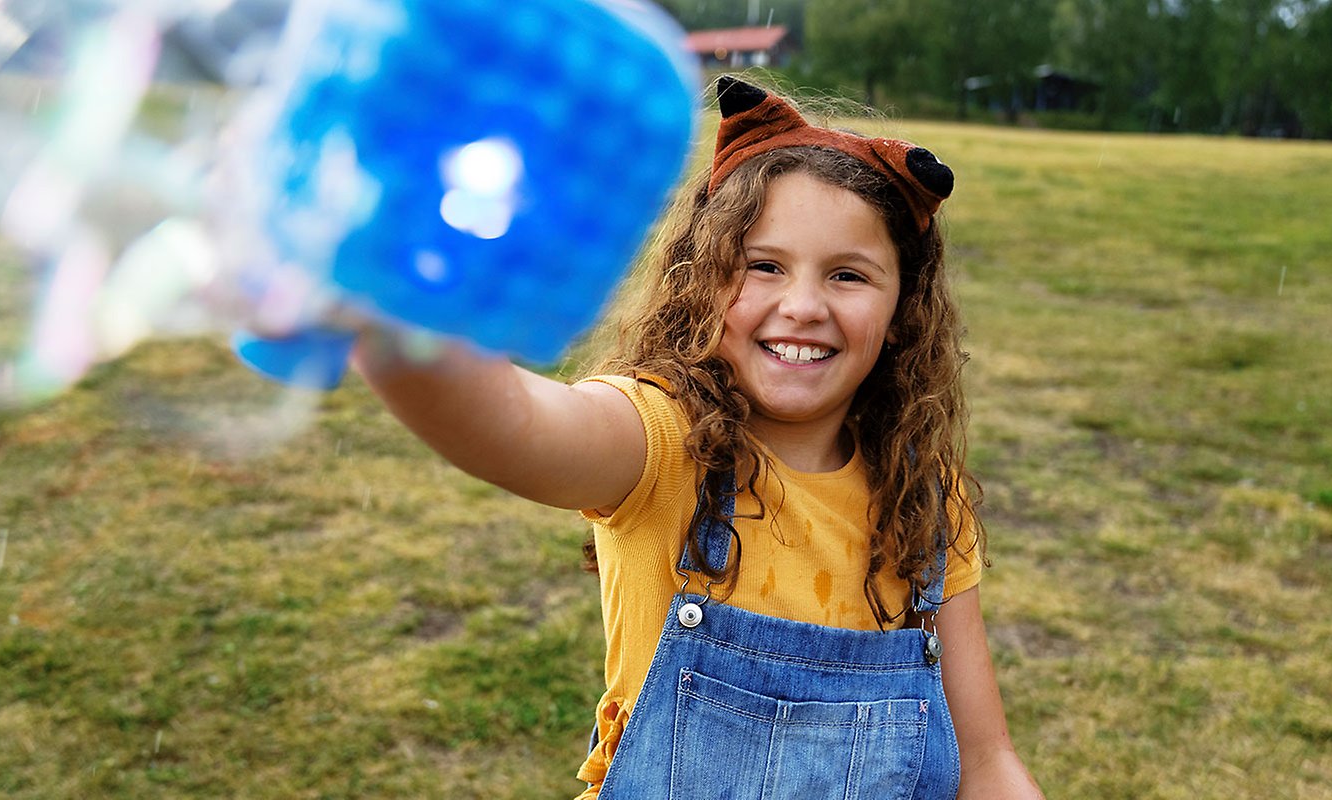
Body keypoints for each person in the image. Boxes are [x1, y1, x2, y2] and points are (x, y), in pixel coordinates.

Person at [353, 76, 1043, 799]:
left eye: (848, 275)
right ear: (703, 281)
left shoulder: (925, 504)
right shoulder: (661, 440)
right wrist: (383, 301)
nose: (802, 306)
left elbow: (986, 763)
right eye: (764, 266)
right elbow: (511, 425)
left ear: (903, 309)